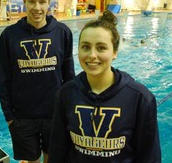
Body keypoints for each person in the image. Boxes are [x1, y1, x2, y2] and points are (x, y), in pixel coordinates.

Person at [48, 10, 161, 162]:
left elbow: (149, 157)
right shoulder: (66, 94)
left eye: (101, 48)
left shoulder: (140, 98)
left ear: (115, 52)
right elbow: (57, 150)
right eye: (86, 47)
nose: (92, 55)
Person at [0, 0, 75, 163]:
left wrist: (69, 112)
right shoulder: (9, 36)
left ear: (49, 3)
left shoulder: (63, 33)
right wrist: (10, 118)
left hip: (54, 114)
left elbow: (69, 77)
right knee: (30, 161)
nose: (37, 7)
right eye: (32, 1)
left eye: (42, 1)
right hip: (23, 117)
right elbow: (4, 78)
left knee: (53, 158)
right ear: (24, 1)